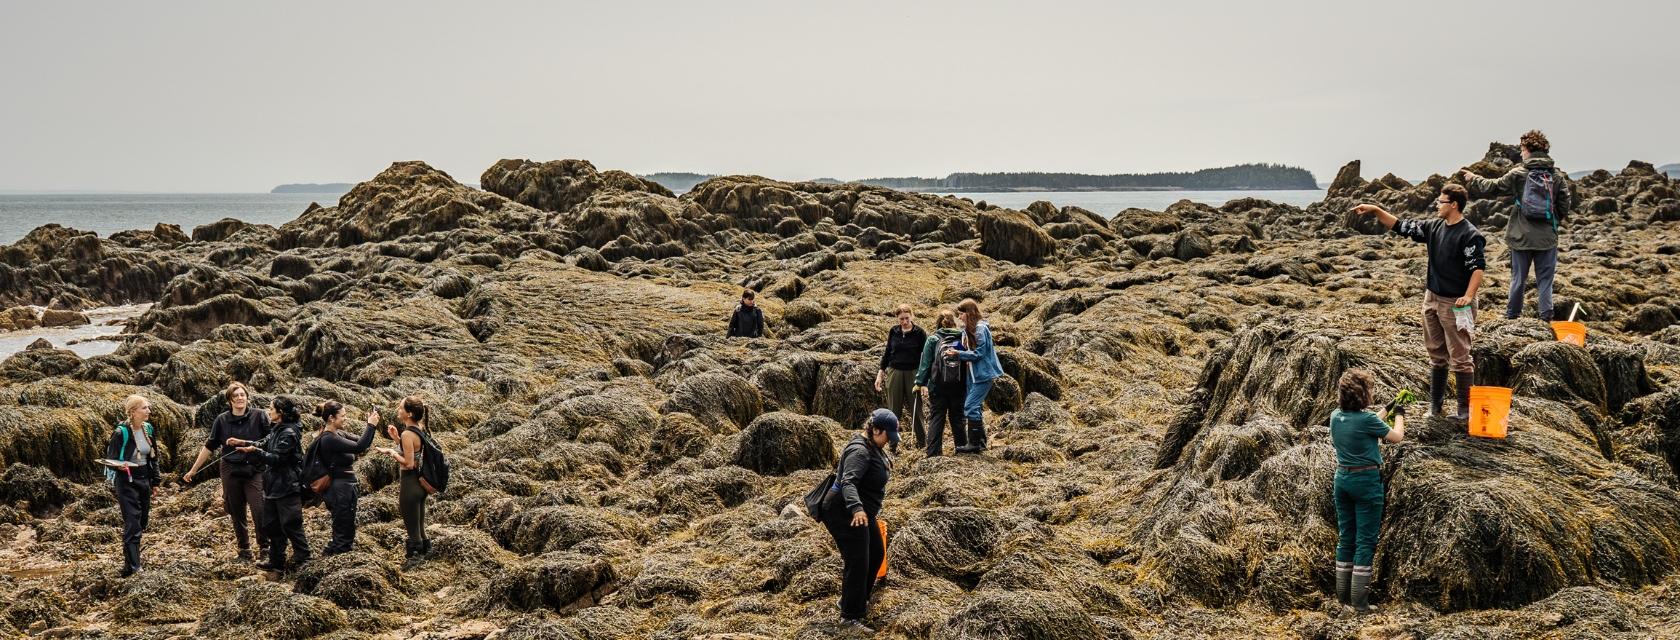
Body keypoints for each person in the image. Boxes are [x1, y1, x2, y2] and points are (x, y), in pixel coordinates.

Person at [1352, 185, 1487, 419]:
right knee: (1436, 353)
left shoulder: (1469, 234)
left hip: (1455, 303)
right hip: (1431, 297)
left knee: (1461, 357)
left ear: (1453, 204)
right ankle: (1436, 407)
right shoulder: (1434, 227)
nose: (1437, 204)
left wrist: (1468, 296)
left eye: (1441, 201)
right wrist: (1375, 210)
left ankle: (1465, 411)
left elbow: (1477, 268)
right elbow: (1400, 225)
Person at [1460, 129, 1576, 321]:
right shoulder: (1556, 176)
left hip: (1520, 235)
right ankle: (1546, 317)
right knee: (1545, 281)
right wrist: (1553, 221)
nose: (1521, 153)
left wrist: (1473, 179)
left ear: (1527, 149)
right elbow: (1565, 204)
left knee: (1518, 279)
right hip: (1547, 237)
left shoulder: (1518, 174)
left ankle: (1512, 316)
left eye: (1522, 149)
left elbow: (1493, 187)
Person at [1330, 369, 1406, 613]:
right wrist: (1400, 416)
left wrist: (1388, 407)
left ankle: (1343, 600)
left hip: (1342, 479)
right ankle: (1360, 604)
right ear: (1364, 396)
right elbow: (1396, 437)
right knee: (1365, 541)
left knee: (1346, 537)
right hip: (1366, 482)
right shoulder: (1366, 421)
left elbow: (1369, 422)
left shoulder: (1335, 417)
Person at [824, 409, 898, 633]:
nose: (889, 441)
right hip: (845, 511)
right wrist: (856, 509)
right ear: (876, 430)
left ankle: (855, 599)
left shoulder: (873, 446)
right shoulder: (860, 452)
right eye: (888, 436)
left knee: (875, 552)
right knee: (858, 560)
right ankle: (849, 618)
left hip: (864, 512)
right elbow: (848, 483)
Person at [182, 381, 271, 561]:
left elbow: (271, 438)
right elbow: (210, 446)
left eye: (242, 395)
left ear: (247, 397)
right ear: (229, 400)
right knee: (235, 510)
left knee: (258, 508)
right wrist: (193, 470)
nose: (240, 398)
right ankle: (244, 550)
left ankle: (265, 547)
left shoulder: (260, 415)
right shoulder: (222, 420)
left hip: (255, 468)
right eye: (235, 396)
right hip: (230, 469)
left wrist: (248, 445)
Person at [235, 396, 309, 572]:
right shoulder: (277, 429)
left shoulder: (289, 433)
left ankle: (304, 558)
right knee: (272, 525)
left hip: (287, 485)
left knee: (291, 524)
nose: (269, 411)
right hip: (272, 485)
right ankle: (276, 560)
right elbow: (264, 443)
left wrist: (256, 452)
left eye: (271, 409)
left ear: (280, 413)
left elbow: (277, 458)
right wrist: (245, 444)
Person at [314, 401, 380, 555]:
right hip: (338, 489)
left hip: (345, 487)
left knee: (347, 525)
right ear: (331, 418)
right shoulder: (328, 438)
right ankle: (337, 556)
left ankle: (337, 551)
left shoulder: (339, 434)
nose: (346, 418)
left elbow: (361, 442)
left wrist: (370, 425)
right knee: (343, 527)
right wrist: (371, 426)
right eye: (343, 416)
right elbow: (359, 447)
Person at [105, 394, 159, 577]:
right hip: (126, 480)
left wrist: (156, 481)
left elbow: (154, 456)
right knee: (133, 522)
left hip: (144, 478)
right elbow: (110, 459)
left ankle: (128, 566)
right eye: (144, 408)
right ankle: (136, 567)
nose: (148, 411)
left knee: (142, 521)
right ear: (133, 411)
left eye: (148, 407)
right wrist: (122, 465)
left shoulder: (148, 429)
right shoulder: (121, 432)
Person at [945, 298, 1003, 453]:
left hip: (983, 374)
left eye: (961, 314)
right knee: (975, 407)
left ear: (969, 313)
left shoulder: (981, 329)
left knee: (970, 406)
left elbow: (979, 353)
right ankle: (981, 443)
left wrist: (958, 354)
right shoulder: (968, 330)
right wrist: (950, 347)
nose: (959, 317)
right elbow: (964, 346)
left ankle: (974, 445)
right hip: (972, 375)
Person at [381, 395, 432, 566]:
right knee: (420, 526)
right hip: (421, 485)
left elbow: (409, 463)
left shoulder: (408, 434)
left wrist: (392, 452)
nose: (398, 410)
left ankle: (415, 560)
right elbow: (415, 453)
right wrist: (397, 438)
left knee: (412, 529)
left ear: (409, 413)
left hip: (410, 485)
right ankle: (427, 554)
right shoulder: (419, 428)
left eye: (401, 407)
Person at [914, 309, 966, 456]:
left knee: (937, 416)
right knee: (958, 416)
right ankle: (962, 448)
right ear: (953, 322)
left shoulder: (933, 339)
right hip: (958, 384)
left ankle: (933, 452)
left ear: (937, 323)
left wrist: (919, 382)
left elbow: (925, 363)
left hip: (937, 386)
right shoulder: (962, 336)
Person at [875, 304, 926, 452]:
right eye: (901, 319)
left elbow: (926, 357)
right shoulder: (894, 331)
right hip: (895, 372)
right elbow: (887, 352)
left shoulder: (920, 333)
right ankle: (892, 446)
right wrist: (881, 373)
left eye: (907, 318)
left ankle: (923, 444)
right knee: (893, 412)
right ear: (897, 318)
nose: (904, 322)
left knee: (916, 410)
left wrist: (924, 380)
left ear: (912, 316)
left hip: (913, 373)